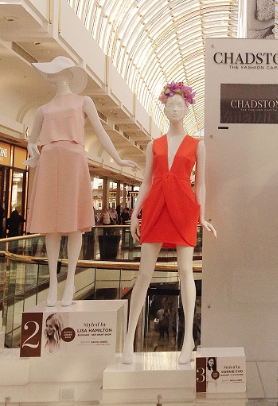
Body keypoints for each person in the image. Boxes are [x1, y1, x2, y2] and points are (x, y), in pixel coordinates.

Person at [25, 56, 139, 307]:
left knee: (75, 223)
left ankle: (70, 283)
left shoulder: (83, 101)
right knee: (51, 226)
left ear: (68, 74)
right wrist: (34, 153)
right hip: (49, 160)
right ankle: (53, 285)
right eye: (51, 71)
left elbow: (101, 132)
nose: (53, 75)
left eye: (57, 71)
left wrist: (118, 159)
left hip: (74, 160)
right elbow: (32, 140)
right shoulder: (43, 109)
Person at [122, 82, 216, 365]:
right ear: (164, 108)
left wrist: (201, 215)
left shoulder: (197, 145)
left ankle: (188, 340)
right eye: (170, 104)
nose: (174, 109)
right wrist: (135, 213)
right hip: (156, 206)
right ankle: (128, 339)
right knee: (143, 274)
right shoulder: (154, 145)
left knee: (186, 271)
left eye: (180, 105)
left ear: (187, 109)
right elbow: (146, 181)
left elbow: (200, 184)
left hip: (184, 207)